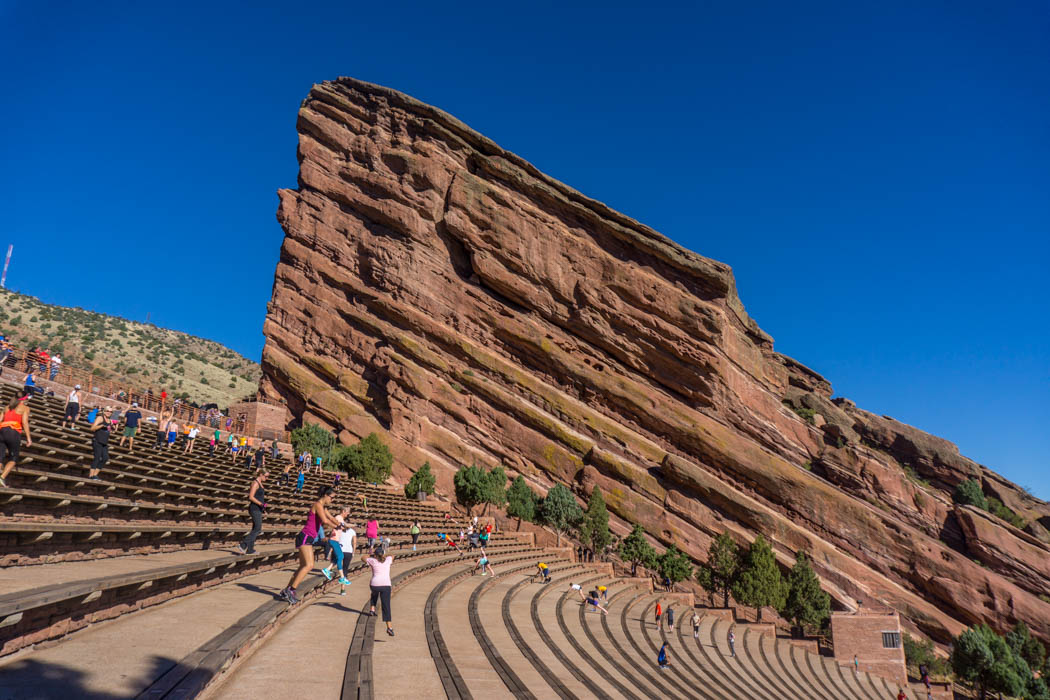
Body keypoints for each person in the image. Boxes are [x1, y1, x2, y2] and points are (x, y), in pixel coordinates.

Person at [280, 485, 340, 604]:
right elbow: (325, 521)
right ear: (325, 495)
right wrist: (336, 527)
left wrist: (340, 524)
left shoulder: (323, 507)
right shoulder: (317, 505)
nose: (332, 500)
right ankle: (290, 590)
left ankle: (286, 590)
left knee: (303, 566)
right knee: (309, 565)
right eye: (332, 498)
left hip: (307, 538)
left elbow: (331, 518)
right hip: (305, 537)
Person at [0, 396, 32, 488]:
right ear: (23, 399)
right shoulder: (25, 408)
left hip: (1, 431)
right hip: (13, 432)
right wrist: (28, 438)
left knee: (0, 458)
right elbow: (25, 422)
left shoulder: (6, 407)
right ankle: (1, 478)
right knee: (13, 458)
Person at [320, 506, 354, 589]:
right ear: (343, 511)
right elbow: (337, 523)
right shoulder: (339, 517)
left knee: (337, 558)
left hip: (335, 540)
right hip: (334, 540)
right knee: (341, 556)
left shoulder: (341, 519)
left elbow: (345, 525)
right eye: (348, 512)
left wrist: (355, 525)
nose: (348, 514)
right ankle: (342, 577)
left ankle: (327, 569)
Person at [365, 544, 395, 636]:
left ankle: (372, 609)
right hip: (386, 585)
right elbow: (393, 555)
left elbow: (363, 557)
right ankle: (389, 627)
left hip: (374, 584)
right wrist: (384, 554)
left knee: (374, 593)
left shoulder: (372, 561)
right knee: (386, 606)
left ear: (375, 555)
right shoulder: (388, 560)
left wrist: (372, 555)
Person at [237, 469, 268, 555]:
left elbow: (259, 497)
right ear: (261, 474)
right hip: (254, 508)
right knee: (258, 529)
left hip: (258, 508)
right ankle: (243, 545)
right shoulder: (255, 483)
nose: (267, 478)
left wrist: (263, 508)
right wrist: (260, 504)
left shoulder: (261, 484)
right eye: (266, 476)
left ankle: (250, 549)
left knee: (255, 529)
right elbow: (251, 497)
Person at [88, 407, 111, 480]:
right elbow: (92, 428)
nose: (109, 412)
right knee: (97, 457)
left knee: (105, 458)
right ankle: (91, 475)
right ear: (104, 411)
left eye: (111, 412)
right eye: (107, 411)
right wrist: (101, 425)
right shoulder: (100, 418)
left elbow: (108, 430)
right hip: (97, 440)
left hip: (104, 442)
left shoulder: (110, 420)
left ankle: (95, 475)